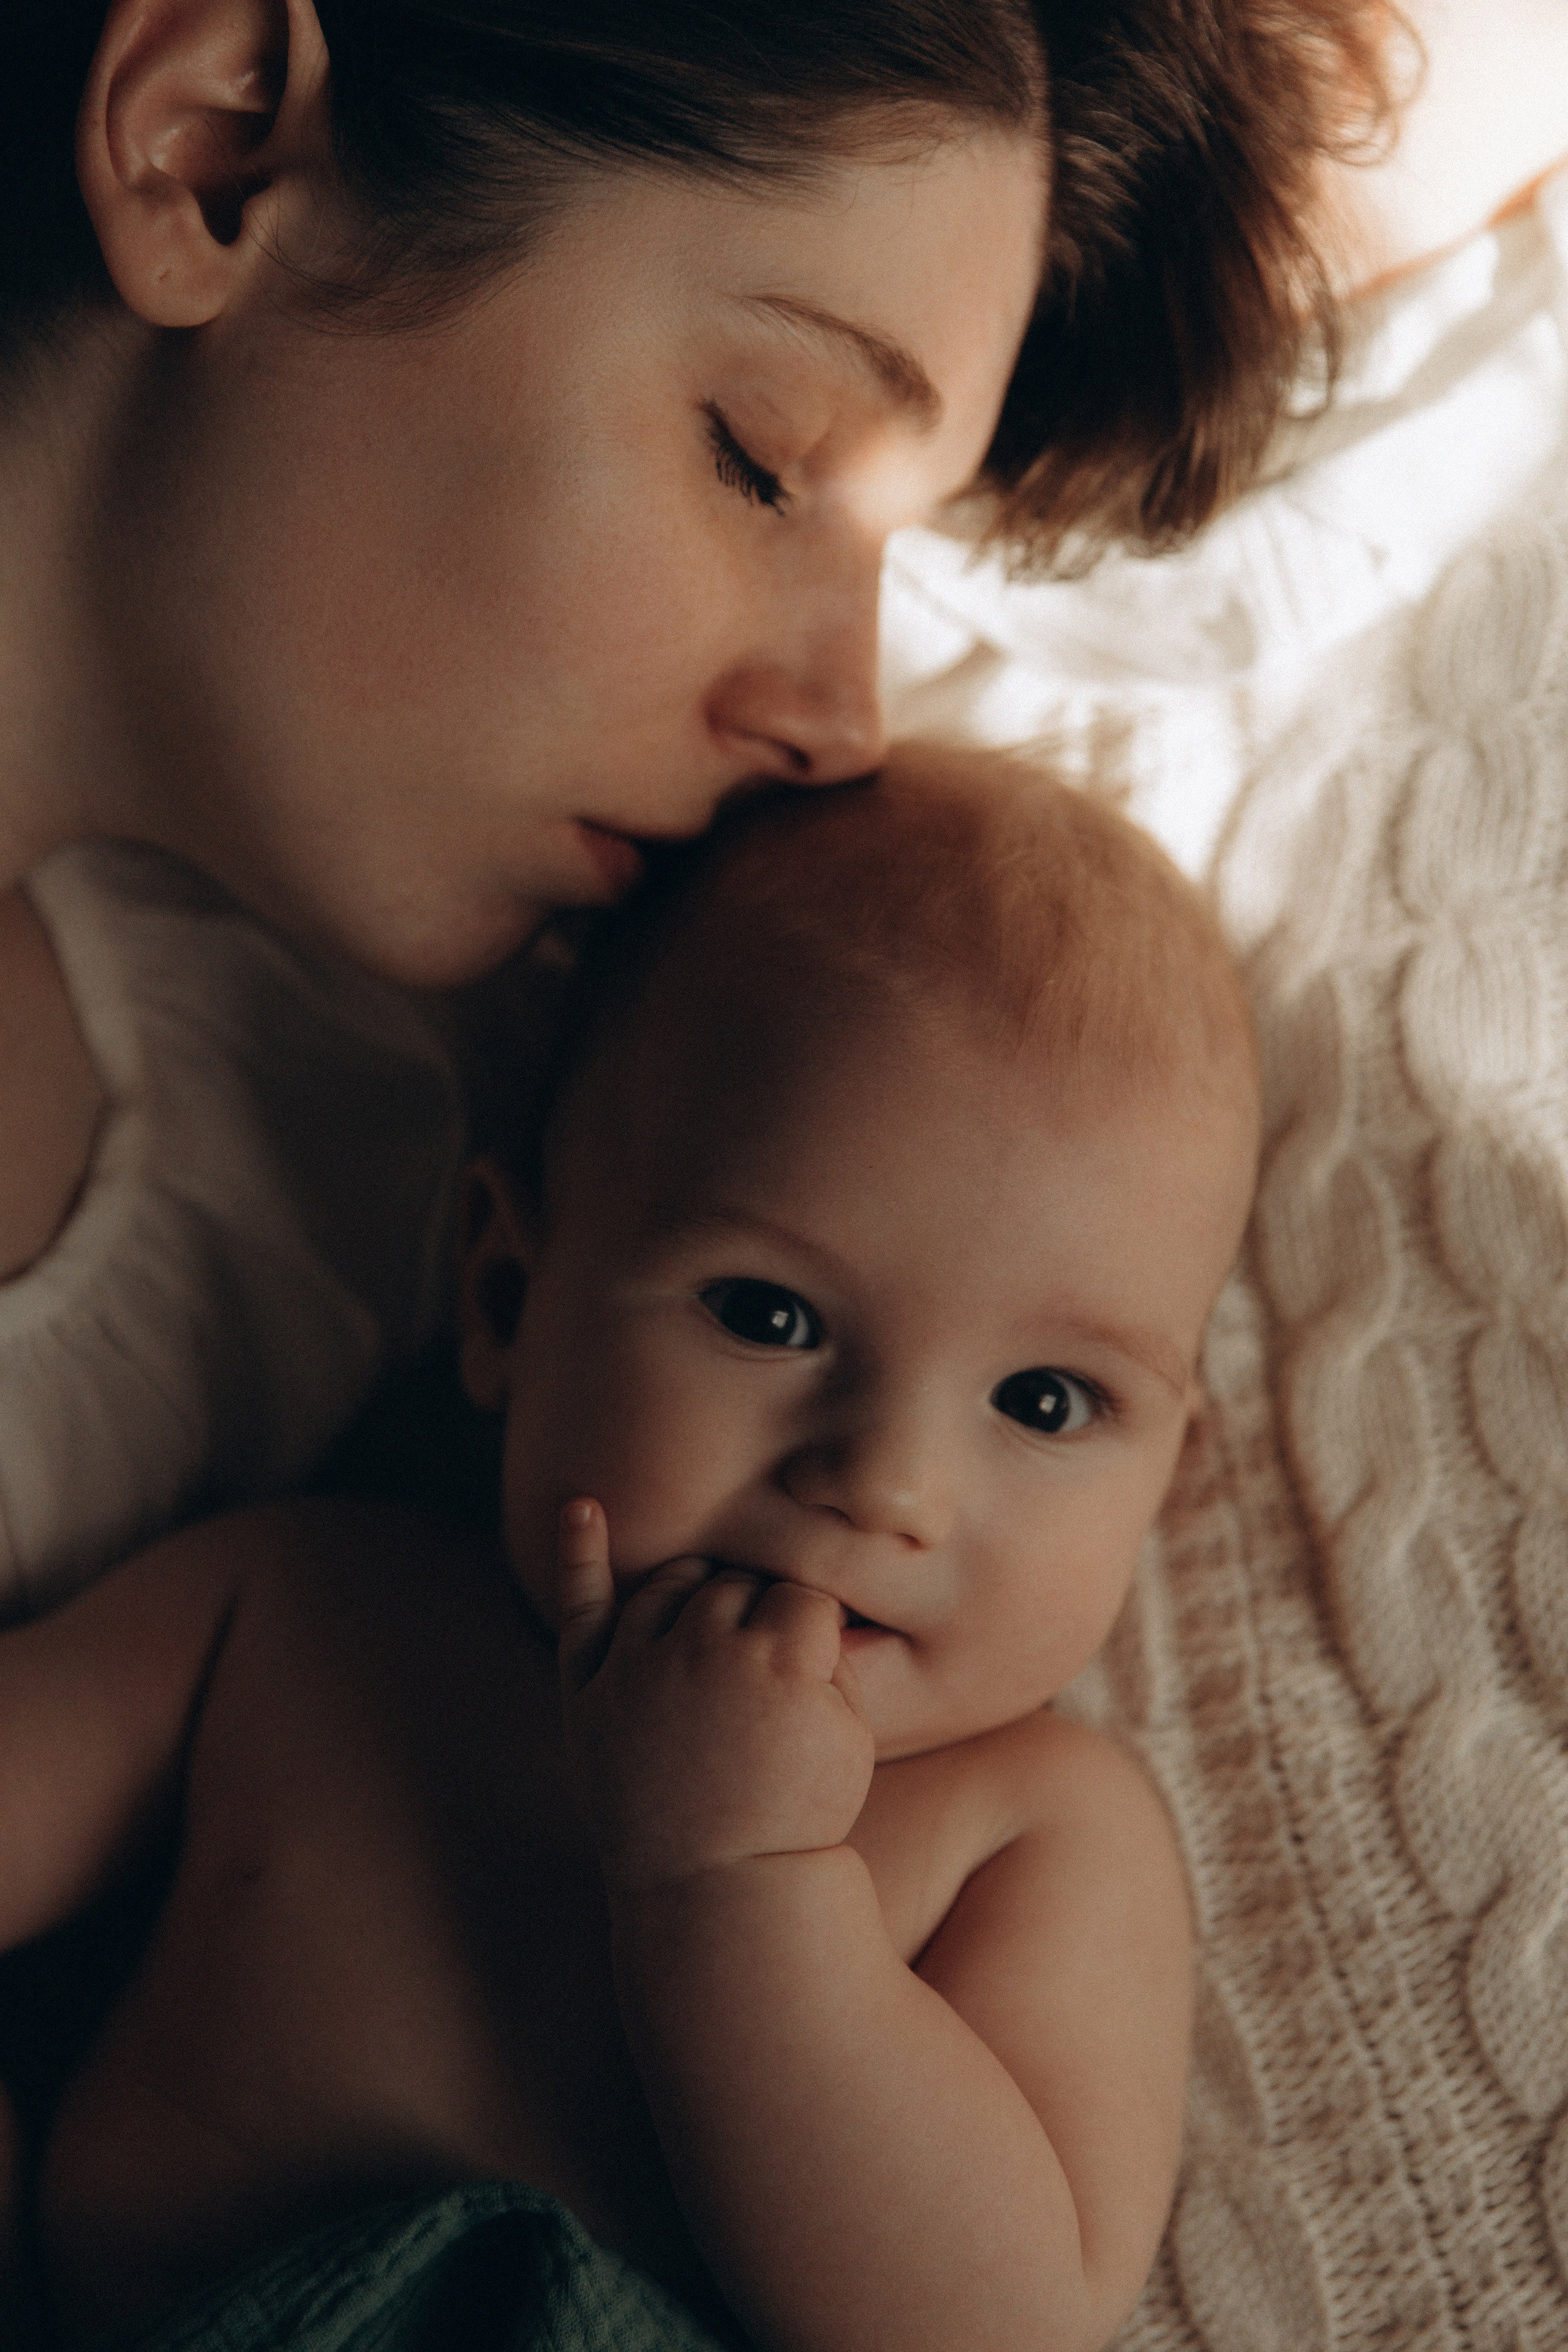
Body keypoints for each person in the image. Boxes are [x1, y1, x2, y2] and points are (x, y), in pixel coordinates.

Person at [0, 0, 1392, 1611]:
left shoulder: (324, 1174)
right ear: (215, 151)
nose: (845, 722)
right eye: (761, 456)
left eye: (895, 561)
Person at [0, 746, 1260, 2351]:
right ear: (509, 1300)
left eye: (1047, 1399)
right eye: (771, 1315)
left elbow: (993, 2327)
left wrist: (743, 1886)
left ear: (1167, 1472)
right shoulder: (305, 1616)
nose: (885, 1483)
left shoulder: (1029, 1838)